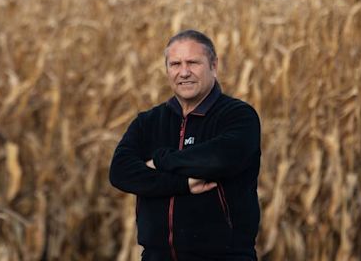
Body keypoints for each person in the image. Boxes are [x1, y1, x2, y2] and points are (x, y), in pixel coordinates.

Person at [109, 30, 261, 261]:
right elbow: (120, 172)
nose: (184, 72)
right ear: (167, 69)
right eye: (175, 64)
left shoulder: (238, 116)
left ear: (213, 65)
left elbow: (219, 159)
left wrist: (159, 161)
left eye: (193, 63)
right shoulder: (148, 122)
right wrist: (183, 183)